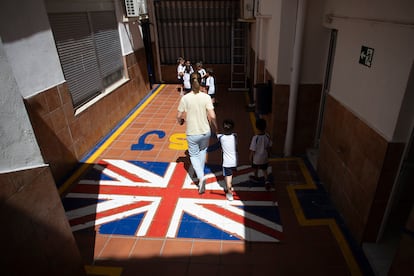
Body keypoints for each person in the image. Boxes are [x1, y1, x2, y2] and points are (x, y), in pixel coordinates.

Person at [177, 72, 218, 194]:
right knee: (202, 152)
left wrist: (180, 121)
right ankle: (201, 175)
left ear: (190, 82)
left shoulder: (185, 98)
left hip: (192, 132)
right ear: (201, 82)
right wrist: (217, 128)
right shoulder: (206, 97)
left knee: (193, 155)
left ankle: (201, 177)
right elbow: (212, 115)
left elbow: (179, 116)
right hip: (205, 131)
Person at [217, 119, 237, 201]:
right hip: (235, 161)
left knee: (227, 178)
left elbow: (216, 134)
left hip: (226, 163)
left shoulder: (221, 137)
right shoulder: (235, 136)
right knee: (231, 175)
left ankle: (229, 193)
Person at [249, 118, 272, 190]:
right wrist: (269, 154)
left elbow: (253, 150)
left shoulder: (255, 138)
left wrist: (250, 157)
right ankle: (267, 181)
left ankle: (256, 177)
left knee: (255, 168)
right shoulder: (267, 136)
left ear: (256, 127)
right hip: (264, 157)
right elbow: (269, 146)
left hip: (256, 158)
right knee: (264, 169)